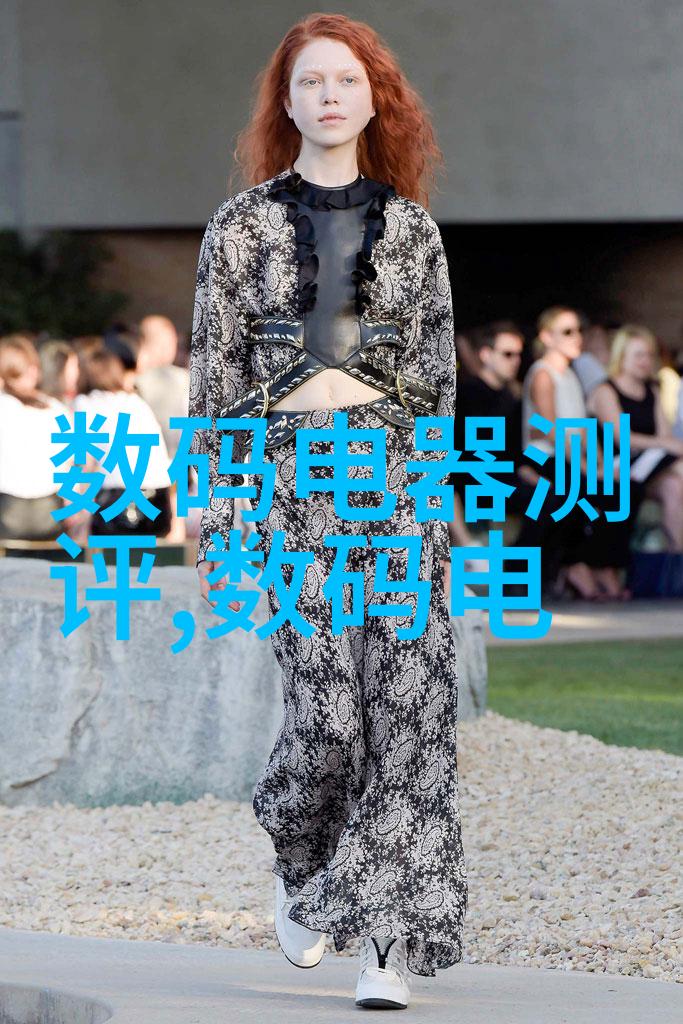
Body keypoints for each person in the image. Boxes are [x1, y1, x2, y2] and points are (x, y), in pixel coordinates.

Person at [188, 12, 466, 1007]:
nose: (329, 96)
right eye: (309, 81)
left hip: (394, 491)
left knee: (409, 715)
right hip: (286, 494)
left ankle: (384, 944)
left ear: (374, 98)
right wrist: (216, 518)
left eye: (346, 80)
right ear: (287, 101)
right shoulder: (239, 228)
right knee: (327, 720)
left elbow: (436, 385)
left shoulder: (414, 232)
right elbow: (214, 381)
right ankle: (302, 851)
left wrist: (435, 505)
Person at [521, 306, 629, 600]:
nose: (576, 337)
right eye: (567, 331)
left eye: (578, 331)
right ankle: (566, 568)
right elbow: (548, 428)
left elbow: (582, 429)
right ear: (547, 337)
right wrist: (587, 467)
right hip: (542, 457)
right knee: (578, 489)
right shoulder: (543, 374)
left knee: (615, 489)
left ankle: (581, 566)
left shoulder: (570, 374)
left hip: (567, 458)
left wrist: (602, 464)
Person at [589, 324, 683, 551]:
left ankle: (676, 558)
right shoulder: (605, 391)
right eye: (639, 355)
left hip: (649, 466)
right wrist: (663, 444)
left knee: (674, 488)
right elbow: (622, 438)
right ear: (621, 356)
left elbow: (664, 433)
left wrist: (665, 443)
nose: (645, 361)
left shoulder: (652, 391)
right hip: (616, 466)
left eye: (649, 355)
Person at [74, 347, 173, 537]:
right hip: (159, 504)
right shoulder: (138, 403)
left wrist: (80, 515)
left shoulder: (85, 404)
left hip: (115, 506)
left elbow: (86, 463)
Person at [0, 334, 79, 541]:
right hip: (50, 513)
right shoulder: (57, 409)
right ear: (34, 369)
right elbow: (71, 464)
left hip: (6, 512)